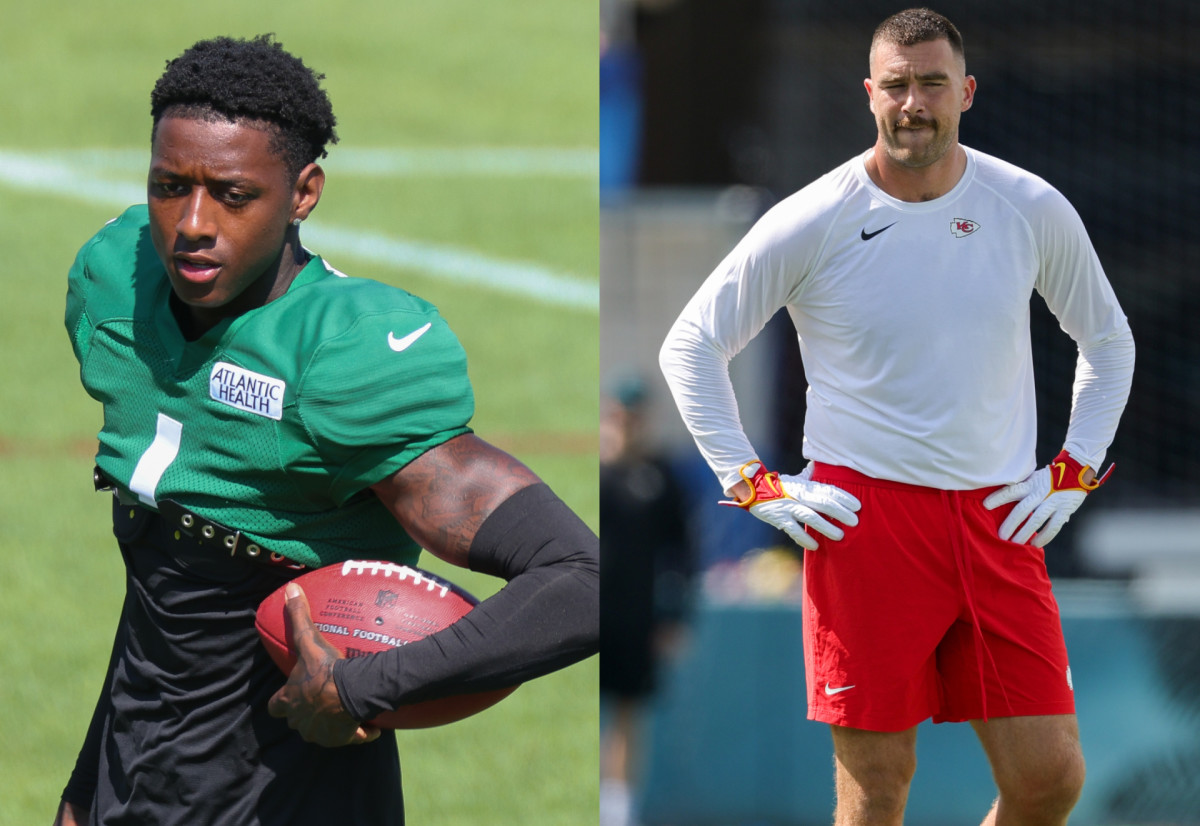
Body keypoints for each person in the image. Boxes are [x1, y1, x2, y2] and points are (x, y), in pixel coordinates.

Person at [55, 34, 598, 826]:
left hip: (290, 795)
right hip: (132, 772)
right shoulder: (114, 283)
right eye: (169, 186)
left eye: (233, 194)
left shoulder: (343, 356)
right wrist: (83, 791)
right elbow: (162, 613)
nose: (192, 224)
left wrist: (360, 686)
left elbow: (580, 580)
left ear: (304, 193)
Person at [658, 8, 1134, 826]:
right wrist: (752, 483)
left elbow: (1109, 341)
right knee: (877, 791)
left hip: (997, 520)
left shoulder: (1028, 205)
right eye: (899, 85)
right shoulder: (814, 217)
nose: (915, 103)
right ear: (869, 93)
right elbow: (691, 345)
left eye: (933, 84)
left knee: (1050, 780)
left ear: (968, 92)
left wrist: (1075, 466)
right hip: (865, 523)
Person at [599, 376, 695, 826]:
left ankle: (616, 812)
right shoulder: (596, 470)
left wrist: (675, 615)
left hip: (635, 614)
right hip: (588, 609)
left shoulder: (659, 476)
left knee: (626, 712)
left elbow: (681, 552)